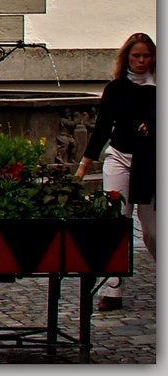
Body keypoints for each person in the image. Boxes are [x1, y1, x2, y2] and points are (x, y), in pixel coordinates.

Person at [75, 32, 156, 311]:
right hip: (119, 156)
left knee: (152, 232)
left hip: (151, 162)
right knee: (117, 221)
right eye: (137, 55)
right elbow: (101, 129)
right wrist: (84, 166)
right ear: (127, 58)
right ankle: (113, 290)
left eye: (147, 55)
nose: (142, 61)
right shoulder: (115, 88)